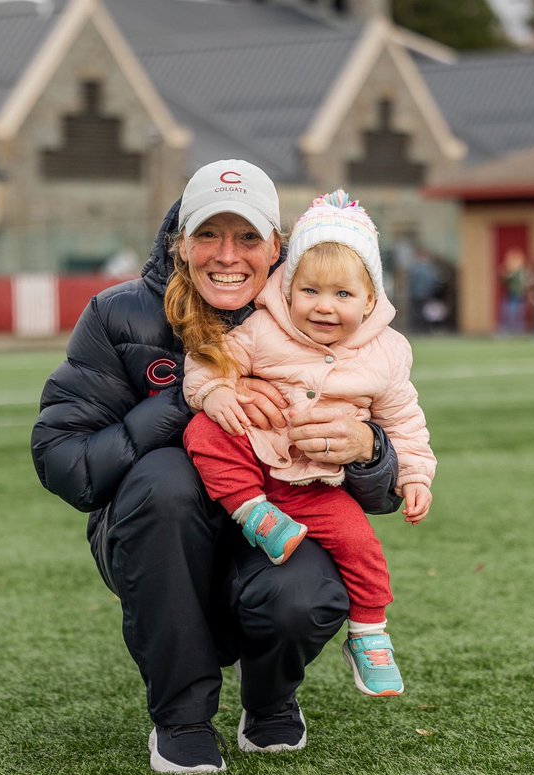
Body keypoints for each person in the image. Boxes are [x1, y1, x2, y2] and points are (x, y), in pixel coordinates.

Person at [31, 160, 402, 775]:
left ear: (275, 247)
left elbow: (384, 487)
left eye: (248, 237)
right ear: (180, 240)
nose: (227, 255)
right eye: (209, 234)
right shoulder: (118, 315)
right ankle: (181, 719)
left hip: (282, 517)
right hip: (158, 533)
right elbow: (65, 462)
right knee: (167, 479)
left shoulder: (326, 306)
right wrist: (193, 399)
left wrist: (369, 449)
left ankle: (270, 699)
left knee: (304, 595)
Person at [178, 190, 437, 699]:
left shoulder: (385, 356)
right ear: (288, 287)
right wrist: (215, 393)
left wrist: (413, 475)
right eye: (311, 291)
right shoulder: (261, 330)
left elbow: (405, 422)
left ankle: (368, 632)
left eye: (343, 296)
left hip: (316, 485)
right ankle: (253, 514)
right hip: (256, 468)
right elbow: (206, 362)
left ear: (369, 300)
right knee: (203, 433)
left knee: (362, 547)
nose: (324, 307)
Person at [498, 248, 529, 336]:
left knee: (519, 313)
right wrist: (505, 275)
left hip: (519, 296)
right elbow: (503, 281)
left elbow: (524, 283)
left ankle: (518, 330)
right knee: (507, 312)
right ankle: (507, 330)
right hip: (510, 295)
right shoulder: (508, 271)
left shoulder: (522, 272)